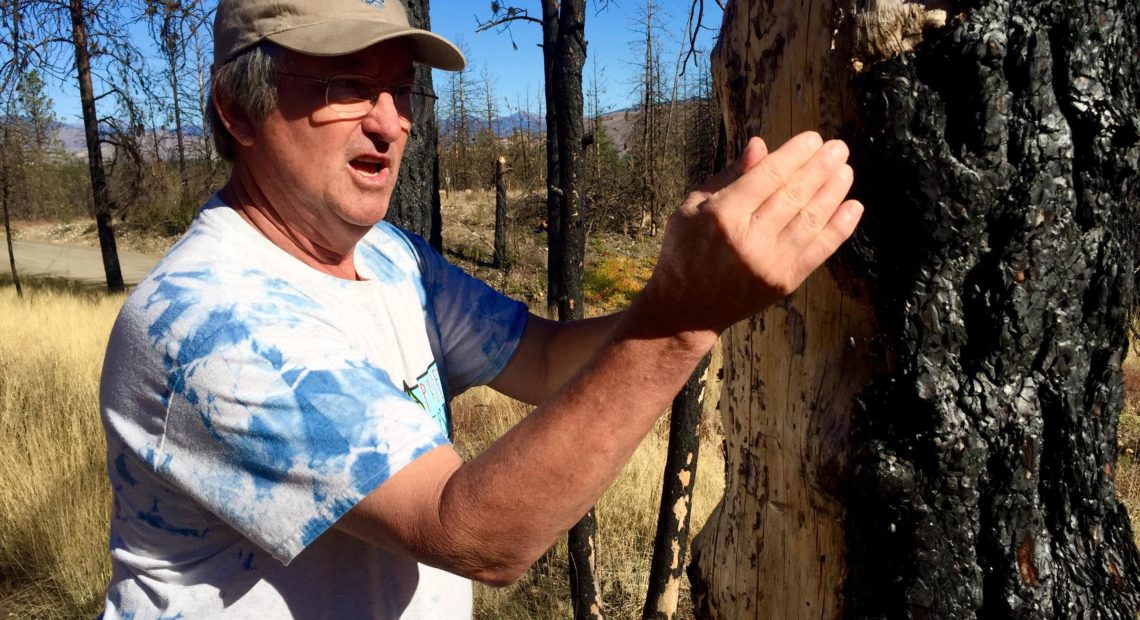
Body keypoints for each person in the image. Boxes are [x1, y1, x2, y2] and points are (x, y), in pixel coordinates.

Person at [98, 0, 864, 617]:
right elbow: (473, 533)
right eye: (346, 86)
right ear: (237, 109)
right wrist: (683, 316)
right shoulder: (204, 322)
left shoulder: (389, 257)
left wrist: (700, 289)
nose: (390, 122)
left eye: (400, 89)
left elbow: (539, 358)